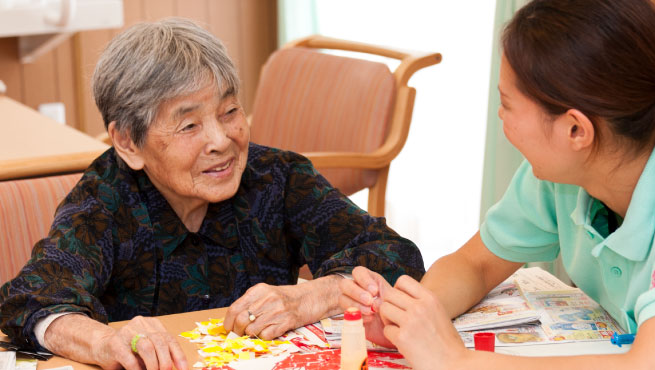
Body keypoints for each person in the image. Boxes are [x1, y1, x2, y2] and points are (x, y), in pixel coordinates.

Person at [0, 18, 425, 370]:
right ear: (128, 142)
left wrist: (312, 295)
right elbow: (31, 300)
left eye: (230, 111)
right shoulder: (104, 199)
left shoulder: (277, 177)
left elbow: (392, 254)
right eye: (189, 126)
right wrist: (106, 341)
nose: (222, 140)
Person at [340, 0, 655, 369]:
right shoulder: (568, 172)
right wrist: (412, 315)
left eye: (508, 104)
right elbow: (476, 263)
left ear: (575, 129)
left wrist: (456, 360)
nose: (500, 115)